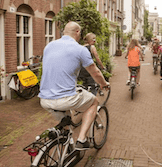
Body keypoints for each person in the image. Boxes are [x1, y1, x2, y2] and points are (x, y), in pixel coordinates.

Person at [38, 21, 109, 151]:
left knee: (66, 121)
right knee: (94, 102)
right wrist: (104, 84)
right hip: (65, 99)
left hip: (44, 99)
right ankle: (82, 139)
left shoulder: (49, 46)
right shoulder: (80, 49)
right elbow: (95, 72)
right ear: (77, 32)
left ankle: (65, 142)